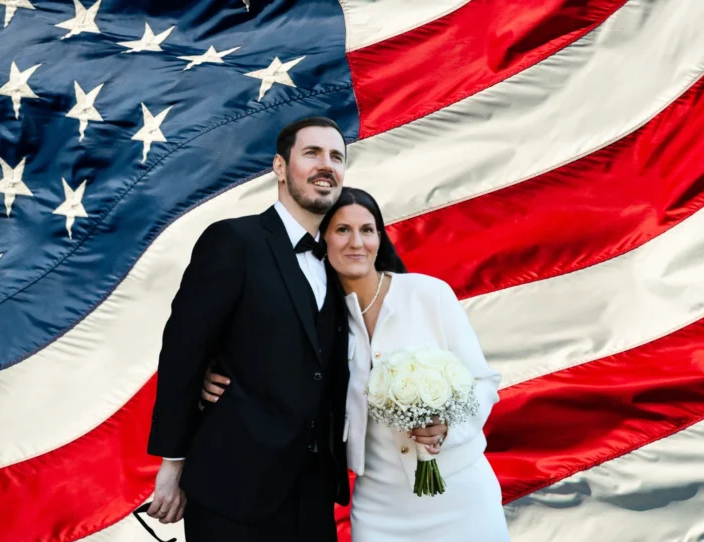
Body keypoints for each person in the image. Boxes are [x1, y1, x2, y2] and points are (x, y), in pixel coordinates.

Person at [144, 117, 448, 542]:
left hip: (314, 491)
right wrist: (172, 464)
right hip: (232, 490)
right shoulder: (233, 240)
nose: (327, 165)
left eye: (336, 157)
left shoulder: (342, 259)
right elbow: (183, 351)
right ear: (280, 167)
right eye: (312, 153)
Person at [202, 186, 510, 541]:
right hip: (380, 507)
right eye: (342, 230)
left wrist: (447, 429)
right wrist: (208, 374)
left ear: (380, 237)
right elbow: (264, 359)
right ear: (323, 240)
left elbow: (483, 381)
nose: (356, 242)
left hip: (460, 494)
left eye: (367, 229)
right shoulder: (316, 318)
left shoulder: (429, 294)